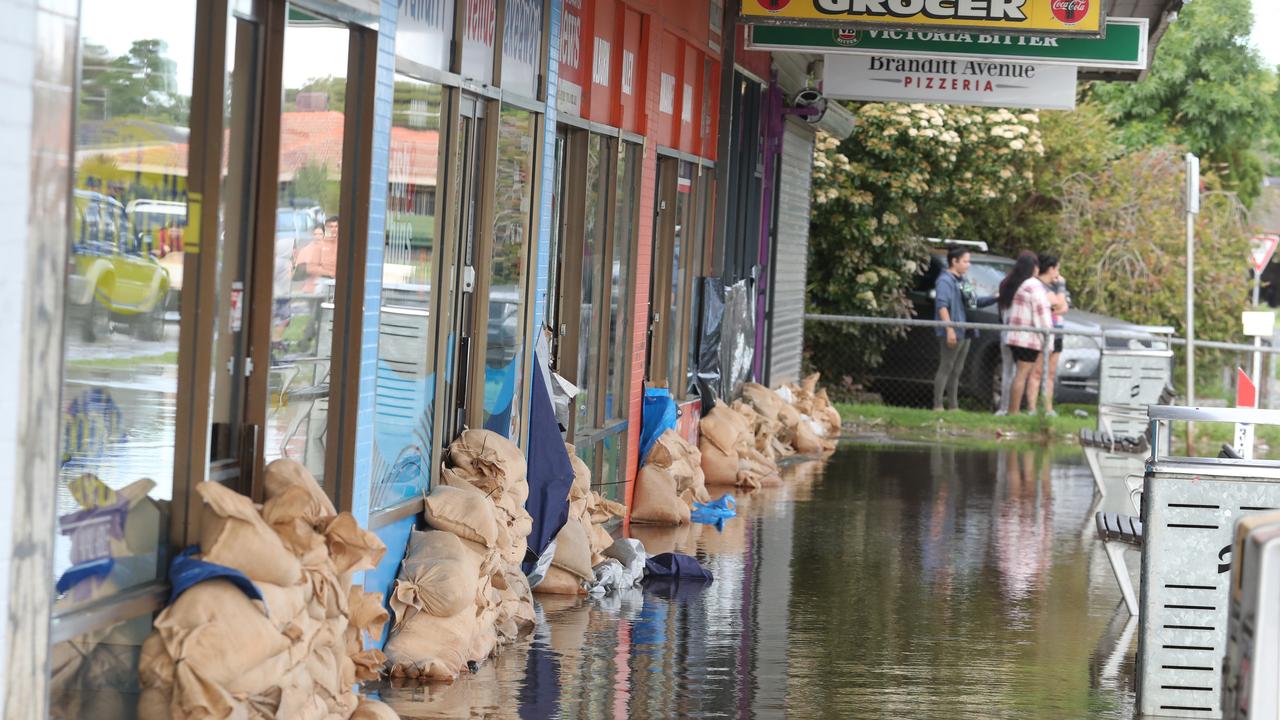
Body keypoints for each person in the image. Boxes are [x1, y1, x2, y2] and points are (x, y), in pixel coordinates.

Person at [932, 246, 997, 411]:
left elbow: (973, 302)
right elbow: (942, 306)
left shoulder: (963, 280)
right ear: (954, 261)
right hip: (952, 330)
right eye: (965, 261)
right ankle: (938, 405)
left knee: (957, 369)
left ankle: (954, 406)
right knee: (946, 366)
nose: (968, 265)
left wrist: (995, 298)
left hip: (965, 330)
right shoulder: (945, 280)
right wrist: (949, 329)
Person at [1003, 253, 1054, 415]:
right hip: (1026, 339)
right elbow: (1041, 315)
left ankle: (1011, 409)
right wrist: (1048, 340)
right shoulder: (1035, 287)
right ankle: (1013, 411)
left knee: (1016, 374)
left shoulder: (1020, 284)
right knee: (1021, 375)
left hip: (1013, 335)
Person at [995, 251, 1038, 416]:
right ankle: (1014, 408)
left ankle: (1004, 407)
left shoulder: (1006, 283)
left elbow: (1001, 309)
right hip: (1020, 335)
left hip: (1005, 330)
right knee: (1018, 373)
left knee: (1007, 371)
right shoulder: (1027, 286)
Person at [1027, 253, 1068, 416]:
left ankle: (1048, 408)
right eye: (1057, 269)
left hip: (1057, 330)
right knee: (1037, 372)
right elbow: (1058, 304)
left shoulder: (1054, 287)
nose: (1059, 273)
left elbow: (1063, 308)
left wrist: (1059, 301)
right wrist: (1061, 289)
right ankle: (1032, 408)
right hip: (1043, 332)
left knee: (1050, 373)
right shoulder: (1039, 285)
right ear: (1050, 269)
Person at [295, 215, 339, 293]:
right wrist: (329, 273)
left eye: (336, 226)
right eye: (330, 227)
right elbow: (310, 267)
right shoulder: (319, 246)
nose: (334, 229)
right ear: (326, 229)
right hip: (322, 283)